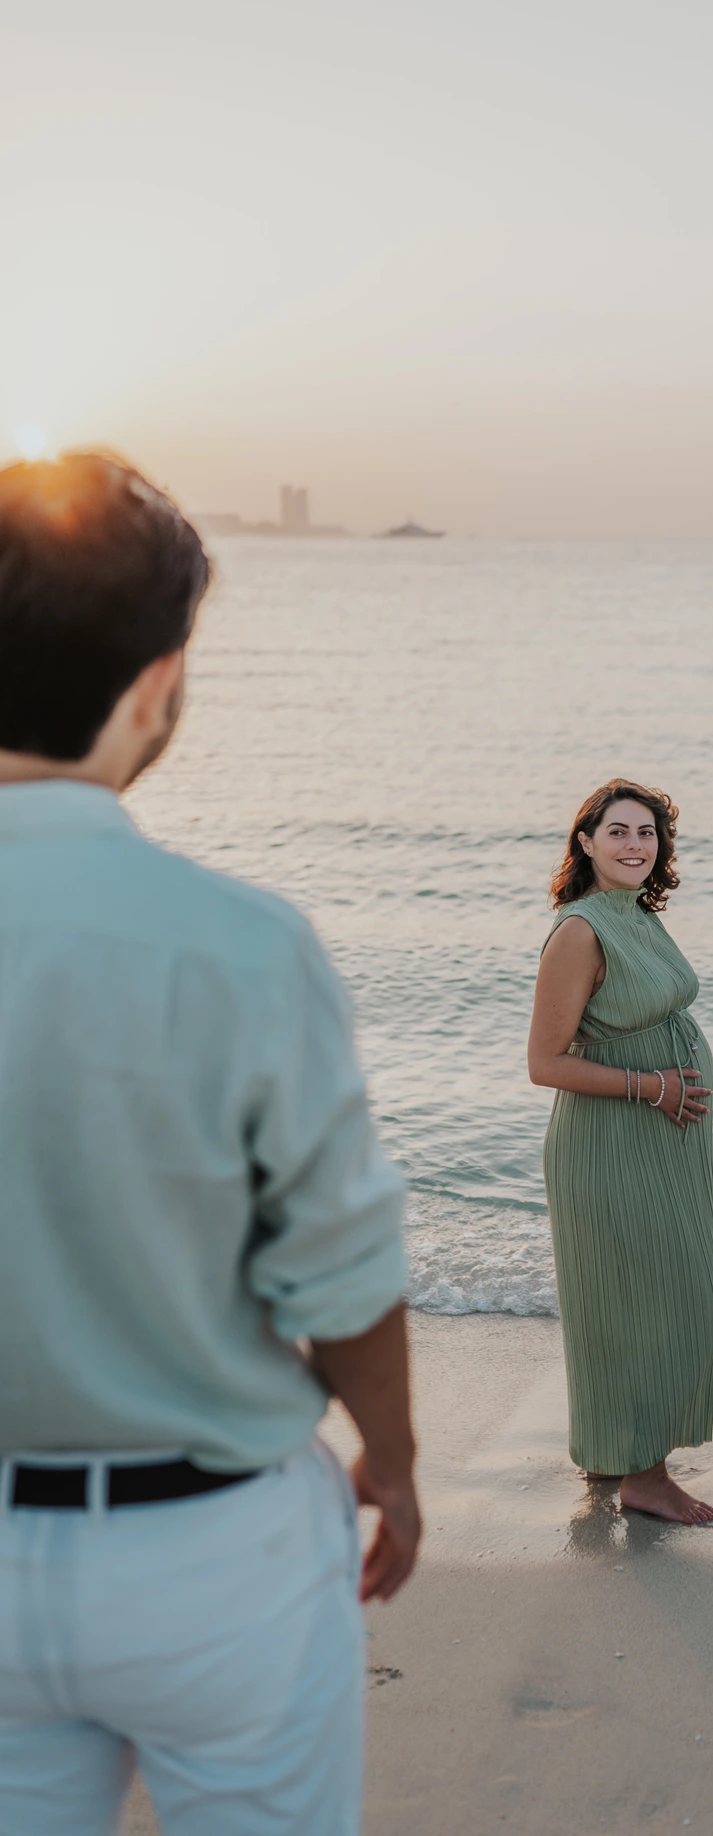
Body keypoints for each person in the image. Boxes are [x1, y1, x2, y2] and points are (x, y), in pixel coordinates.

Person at [0, 453, 420, 1836]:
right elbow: (342, 1276)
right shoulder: (240, 946)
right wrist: (395, 1466)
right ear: (159, 680)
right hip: (210, 1545)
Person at [527, 779, 713, 1525]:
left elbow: (659, 1014)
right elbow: (545, 1062)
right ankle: (644, 1476)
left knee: (635, 1300)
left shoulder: (638, 914)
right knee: (680, 1305)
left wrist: (698, 1068)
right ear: (584, 842)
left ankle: (612, 1450)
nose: (634, 845)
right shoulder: (579, 931)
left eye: (645, 833)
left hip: (667, 1133)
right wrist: (654, 1085)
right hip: (610, 1141)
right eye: (616, 831)